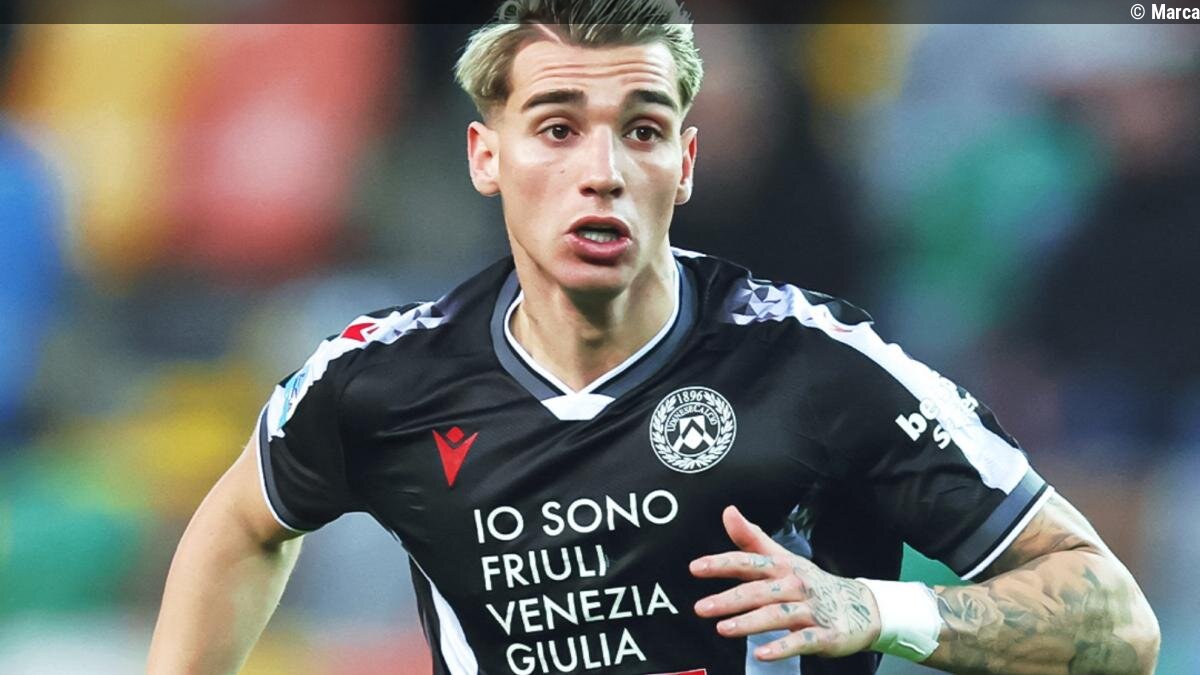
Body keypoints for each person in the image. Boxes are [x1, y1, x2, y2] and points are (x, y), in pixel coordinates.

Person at [147, 1, 1161, 673]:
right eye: (557, 128)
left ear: (684, 161)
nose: (602, 172)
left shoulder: (818, 365)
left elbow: (1116, 619)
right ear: (485, 157)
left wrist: (874, 608)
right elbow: (244, 522)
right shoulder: (380, 378)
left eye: (640, 130)